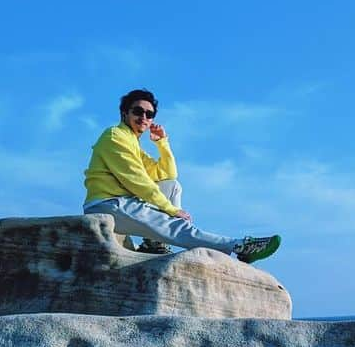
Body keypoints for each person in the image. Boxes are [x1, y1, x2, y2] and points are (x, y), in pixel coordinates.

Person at [83, 88, 280, 263]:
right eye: (138, 111)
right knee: (177, 227)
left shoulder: (132, 142)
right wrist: (170, 210)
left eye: (149, 114)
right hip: (108, 204)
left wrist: (162, 143)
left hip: (123, 201)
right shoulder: (115, 136)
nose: (144, 117)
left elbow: (167, 174)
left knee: (173, 185)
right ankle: (239, 246)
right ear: (125, 112)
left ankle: (154, 243)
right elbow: (137, 182)